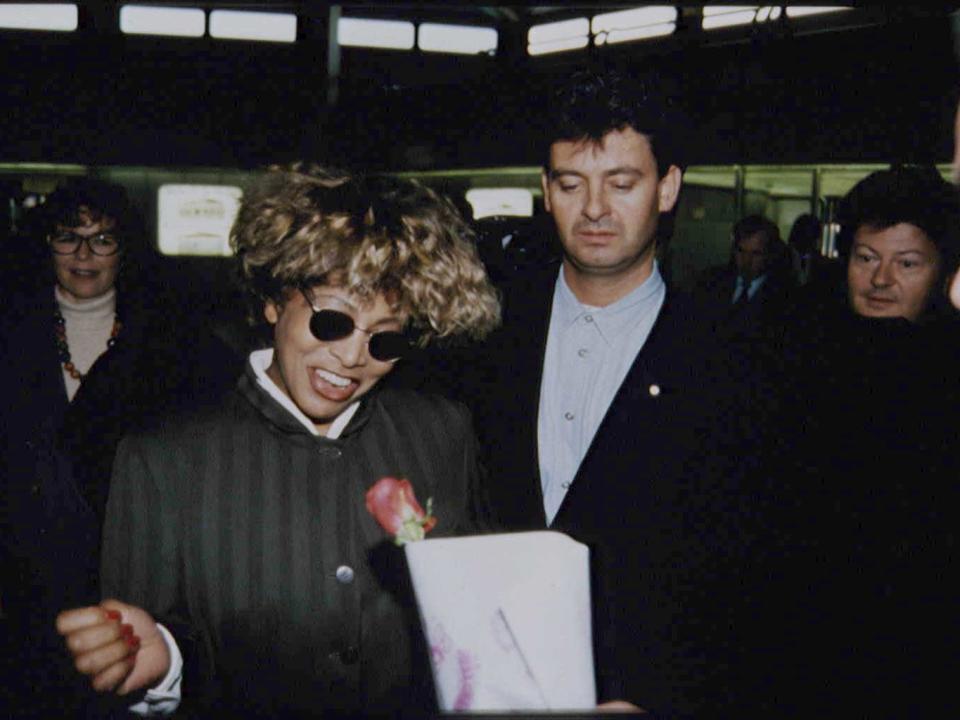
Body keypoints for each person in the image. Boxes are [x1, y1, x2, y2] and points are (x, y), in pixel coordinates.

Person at [54, 165, 500, 717]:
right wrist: (164, 665)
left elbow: (479, 622)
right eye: (333, 322)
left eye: (386, 339)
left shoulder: (442, 432)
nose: (352, 357)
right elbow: (148, 647)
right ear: (274, 300)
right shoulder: (162, 459)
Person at [470, 69, 768, 716]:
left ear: (668, 188)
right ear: (546, 191)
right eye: (571, 184)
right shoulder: (481, 339)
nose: (596, 209)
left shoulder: (735, 364)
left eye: (622, 183)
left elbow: (750, 586)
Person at [0, 178, 240, 716]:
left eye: (103, 239)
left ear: (124, 249)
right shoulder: (11, 331)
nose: (84, 253)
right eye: (68, 236)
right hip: (22, 583)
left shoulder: (176, 340)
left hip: (130, 575)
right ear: (46, 244)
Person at [765, 165, 960, 716]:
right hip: (808, 646)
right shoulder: (796, 361)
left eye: (907, 264)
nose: (880, 281)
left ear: (943, 270)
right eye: (866, 258)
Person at [694, 214, 795, 342]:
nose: (746, 261)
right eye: (741, 251)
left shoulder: (784, 299)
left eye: (756, 254)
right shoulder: (710, 283)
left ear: (770, 255)